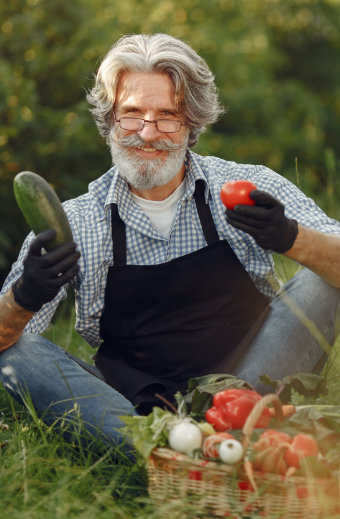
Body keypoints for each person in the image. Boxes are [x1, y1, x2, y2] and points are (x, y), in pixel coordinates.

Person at [1, 33, 340, 454]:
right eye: (131, 114)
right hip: (134, 409)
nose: (147, 132)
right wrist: (24, 296)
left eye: (167, 116)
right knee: (16, 357)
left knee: (323, 276)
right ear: (109, 121)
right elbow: (6, 341)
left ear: (191, 124)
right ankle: (165, 451)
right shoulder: (76, 222)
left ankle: (213, 444)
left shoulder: (245, 187)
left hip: (248, 389)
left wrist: (291, 238)